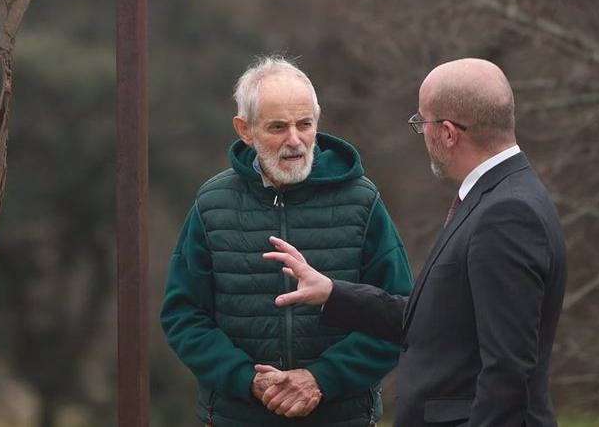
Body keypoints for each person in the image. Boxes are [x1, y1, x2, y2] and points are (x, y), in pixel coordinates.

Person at [264, 58, 567, 427]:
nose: (422, 133)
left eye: (422, 123)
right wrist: (332, 293)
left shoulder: (507, 214)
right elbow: (433, 321)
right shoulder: (499, 198)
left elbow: (508, 372)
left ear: (449, 132)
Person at [162, 56, 414, 426]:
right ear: (244, 130)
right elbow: (183, 316)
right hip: (237, 417)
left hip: (341, 418)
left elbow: (401, 315)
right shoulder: (211, 204)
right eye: (278, 127)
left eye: (304, 125)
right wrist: (249, 381)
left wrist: (321, 379)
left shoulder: (363, 200)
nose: (294, 140)